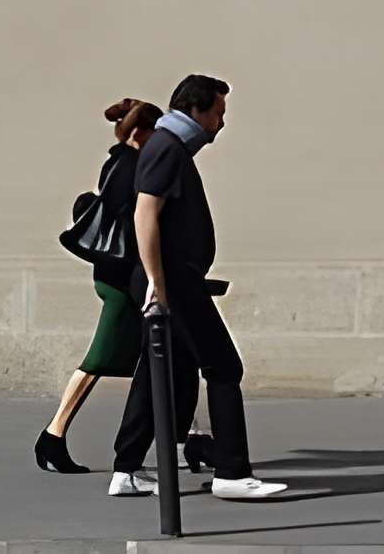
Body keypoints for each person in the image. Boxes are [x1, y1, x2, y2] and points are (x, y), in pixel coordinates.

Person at [108, 73, 288, 503]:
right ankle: (231, 472)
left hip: (174, 278)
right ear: (196, 110)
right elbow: (144, 215)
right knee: (224, 366)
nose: (221, 124)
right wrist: (158, 284)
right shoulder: (167, 147)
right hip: (172, 281)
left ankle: (126, 468)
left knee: (160, 376)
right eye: (218, 113)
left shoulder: (168, 146)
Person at [35, 95, 155, 473]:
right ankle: (52, 435)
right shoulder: (129, 164)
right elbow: (132, 217)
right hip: (120, 278)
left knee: (159, 358)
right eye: (155, 131)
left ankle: (195, 436)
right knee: (99, 360)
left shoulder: (121, 161)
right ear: (139, 131)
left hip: (119, 273)